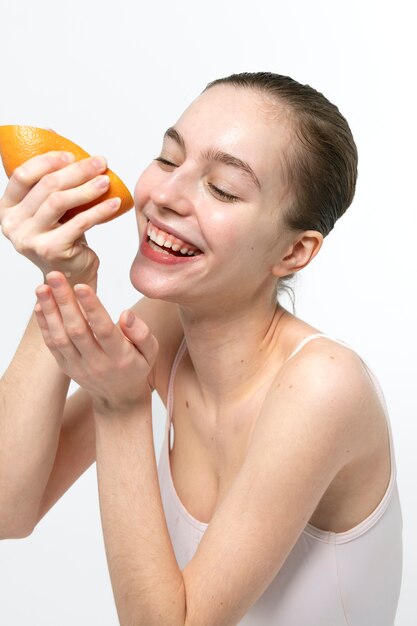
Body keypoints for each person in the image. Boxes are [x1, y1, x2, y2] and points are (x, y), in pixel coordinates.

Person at [0, 72, 402, 625]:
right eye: (168, 159)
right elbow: (7, 506)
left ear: (294, 251)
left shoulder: (323, 385)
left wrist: (122, 408)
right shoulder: (170, 326)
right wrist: (65, 279)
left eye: (222, 189)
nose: (162, 196)